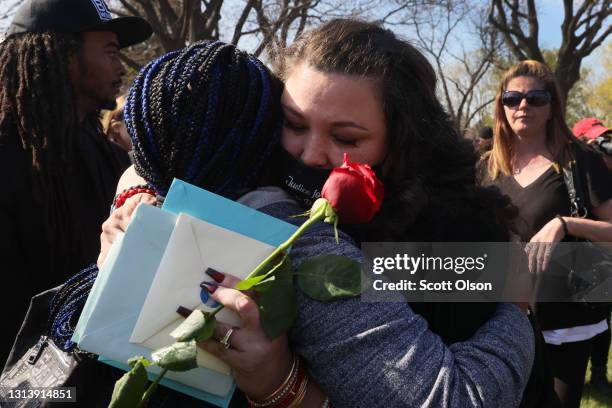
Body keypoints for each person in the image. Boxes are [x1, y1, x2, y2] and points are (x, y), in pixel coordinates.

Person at [99, 20, 535, 407]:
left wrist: (515, 308)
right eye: (294, 124)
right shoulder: (268, 186)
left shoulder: (452, 231)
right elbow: (179, 150)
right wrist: (137, 191)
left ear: (401, 139)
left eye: (346, 136)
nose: (309, 155)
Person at [0, 0, 151, 367]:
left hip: (97, 370)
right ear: (65, 54)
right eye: (110, 52)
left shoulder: (108, 155)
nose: (120, 66)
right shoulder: (8, 152)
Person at [481, 60, 612, 408]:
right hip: (499, 318)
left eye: (536, 98)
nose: (523, 106)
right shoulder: (485, 167)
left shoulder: (580, 161)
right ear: (501, 106)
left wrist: (565, 224)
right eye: (512, 98)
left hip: (565, 320)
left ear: (552, 106)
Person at [572, 117, 612, 391]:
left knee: (603, 319)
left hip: (604, 259)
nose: (603, 146)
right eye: (595, 140)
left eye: (605, 139)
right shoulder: (574, 171)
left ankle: (598, 373)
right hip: (577, 261)